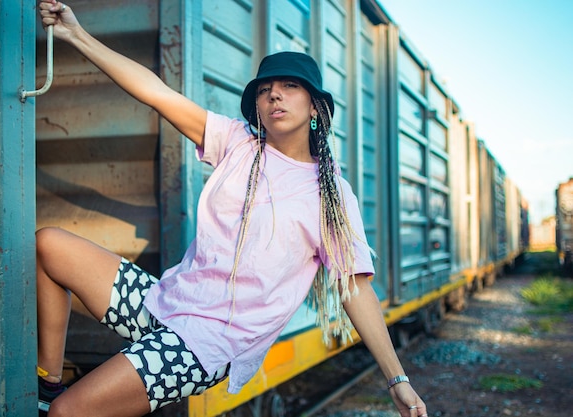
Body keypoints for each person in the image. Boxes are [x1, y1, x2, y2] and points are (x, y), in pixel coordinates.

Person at [36, 1, 428, 417]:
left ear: (315, 107)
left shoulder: (329, 194)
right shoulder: (238, 142)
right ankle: (48, 382)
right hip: (165, 303)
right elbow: (156, 92)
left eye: (289, 86)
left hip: (209, 342)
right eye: (264, 89)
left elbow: (355, 288)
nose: (274, 93)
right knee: (50, 245)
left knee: (70, 413)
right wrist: (75, 35)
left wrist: (397, 380)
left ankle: (56, 404)